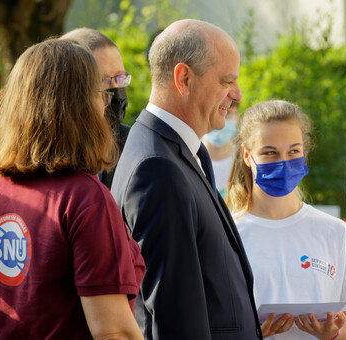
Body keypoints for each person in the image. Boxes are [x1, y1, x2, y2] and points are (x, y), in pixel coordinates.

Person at [0, 39, 144, 339]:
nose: (106, 104)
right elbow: (114, 332)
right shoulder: (84, 198)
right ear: (79, 106)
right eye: (99, 94)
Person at [110, 19, 262, 339]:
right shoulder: (158, 168)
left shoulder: (176, 150)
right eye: (226, 81)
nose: (237, 94)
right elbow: (175, 314)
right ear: (184, 78)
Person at [227, 100, 346, 340]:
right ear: (246, 155)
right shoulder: (227, 235)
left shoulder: (336, 232)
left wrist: (333, 335)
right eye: (269, 152)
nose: (283, 162)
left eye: (293, 151)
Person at [61, 28, 132, 189]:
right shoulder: (48, 154)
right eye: (105, 80)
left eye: (120, 78)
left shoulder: (132, 144)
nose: (115, 90)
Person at [203, 101, 239, 199]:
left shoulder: (244, 161)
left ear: (237, 116)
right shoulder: (189, 159)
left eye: (228, 112)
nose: (222, 120)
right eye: (214, 112)